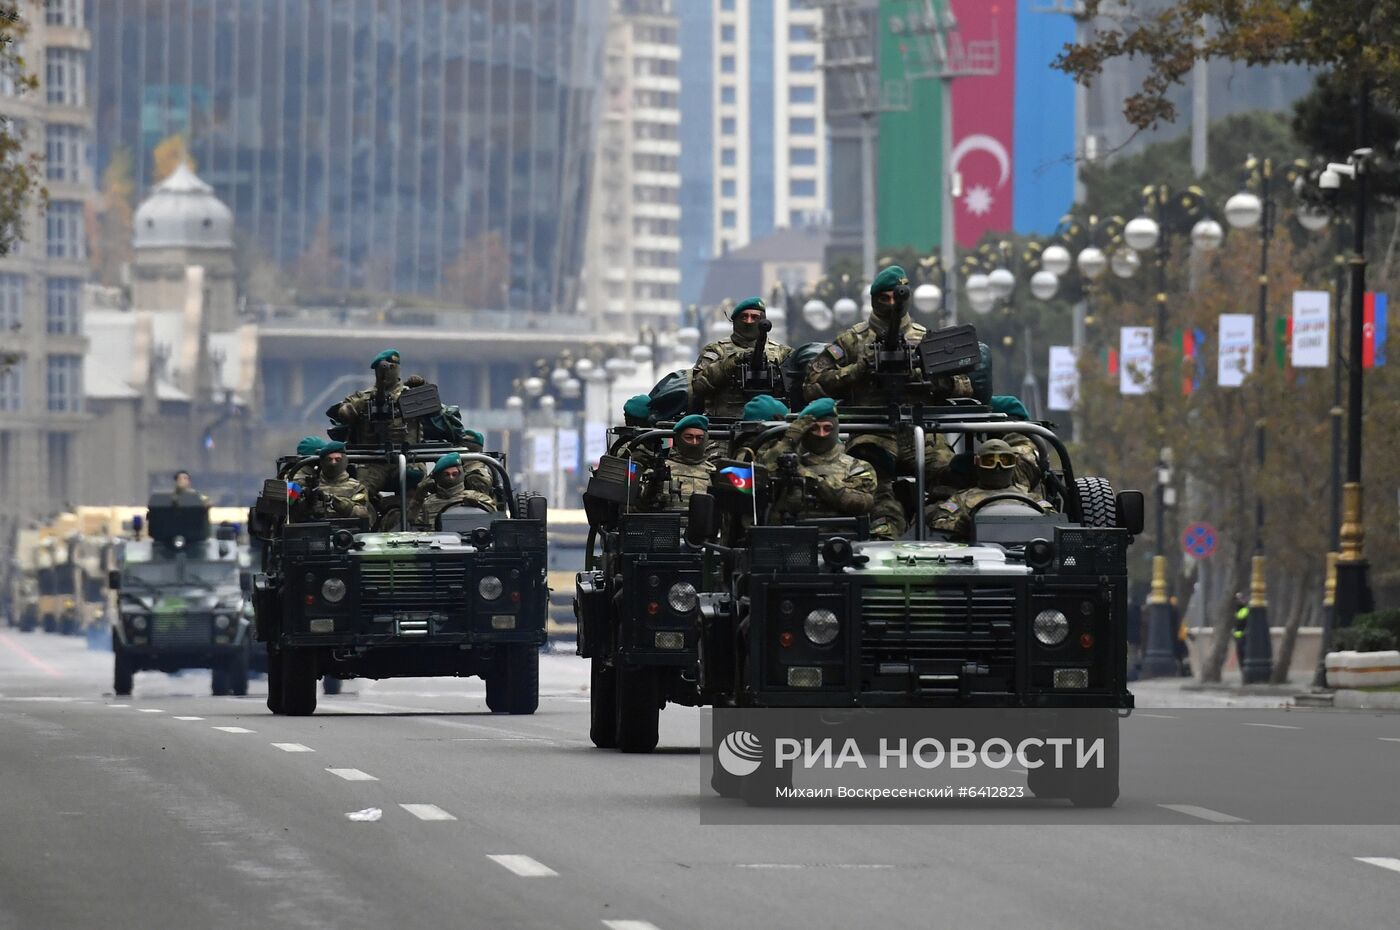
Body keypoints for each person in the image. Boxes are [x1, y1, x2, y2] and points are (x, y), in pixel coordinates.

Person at [327, 349, 433, 495]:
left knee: (414, 488)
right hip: (372, 461)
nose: (386, 373)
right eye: (381, 369)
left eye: (392, 368)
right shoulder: (363, 398)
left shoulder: (413, 396)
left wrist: (423, 388)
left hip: (409, 459)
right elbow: (341, 412)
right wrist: (347, 411)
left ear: (398, 369)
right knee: (358, 494)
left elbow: (437, 416)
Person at [761, 399, 876, 522]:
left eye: (827, 428)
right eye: (814, 428)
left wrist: (808, 476)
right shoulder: (783, 460)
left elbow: (859, 503)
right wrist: (787, 442)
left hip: (838, 537)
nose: (821, 435)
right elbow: (759, 477)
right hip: (784, 537)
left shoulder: (856, 467)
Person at [926, 439, 1053, 541]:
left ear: (1014, 463)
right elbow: (936, 524)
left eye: (1005, 461)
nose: (997, 467)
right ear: (978, 464)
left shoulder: (1030, 498)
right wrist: (959, 526)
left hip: (1024, 556)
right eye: (989, 461)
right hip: (978, 558)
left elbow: (1056, 521)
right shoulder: (961, 499)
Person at [691, 296, 793, 418]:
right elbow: (698, 386)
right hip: (724, 428)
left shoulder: (782, 353)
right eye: (744, 317)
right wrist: (730, 363)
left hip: (771, 427)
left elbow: (797, 389)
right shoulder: (716, 350)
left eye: (755, 317)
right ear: (735, 320)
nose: (749, 321)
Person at [640, 414, 716, 513]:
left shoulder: (713, 472)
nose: (694, 442)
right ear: (678, 439)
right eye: (688, 437)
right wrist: (651, 488)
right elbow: (639, 507)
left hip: (703, 527)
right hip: (667, 526)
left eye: (699, 438)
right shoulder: (660, 469)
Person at [408, 452, 496, 530]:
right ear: (438, 476)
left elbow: (495, 519)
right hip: (435, 544)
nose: (451, 478)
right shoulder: (427, 504)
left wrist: (478, 506)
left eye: (455, 474)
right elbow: (413, 527)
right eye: (446, 474)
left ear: (461, 474)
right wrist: (418, 497)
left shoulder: (479, 498)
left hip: (469, 544)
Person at [296, 441, 371, 522]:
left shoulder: (356, 487)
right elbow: (291, 513)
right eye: (329, 459)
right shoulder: (309, 485)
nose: (333, 463)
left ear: (344, 461)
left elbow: (363, 513)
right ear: (322, 462)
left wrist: (333, 501)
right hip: (313, 531)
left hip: (348, 530)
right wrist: (308, 501)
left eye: (337, 459)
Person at [1232, 592, 1249, 670]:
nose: (1237, 601)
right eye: (1237, 599)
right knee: (1240, 656)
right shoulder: (1236, 610)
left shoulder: (1245, 610)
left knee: (1243, 656)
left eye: (1239, 599)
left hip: (1244, 637)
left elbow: (1242, 623)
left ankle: (1244, 670)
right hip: (1238, 637)